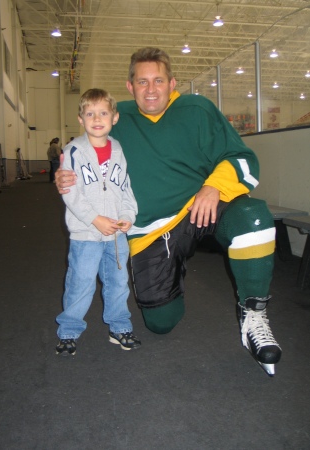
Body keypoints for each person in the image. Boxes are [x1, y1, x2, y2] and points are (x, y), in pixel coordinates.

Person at [55, 47, 281, 375]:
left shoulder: (198, 109)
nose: (151, 89)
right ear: (129, 87)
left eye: (158, 80)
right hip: (150, 234)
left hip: (200, 210)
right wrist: (63, 174)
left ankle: (254, 316)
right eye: (142, 81)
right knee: (161, 322)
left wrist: (213, 186)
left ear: (172, 83)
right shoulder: (116, 119)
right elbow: (81, 153)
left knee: (253, 217)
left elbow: (246, 161)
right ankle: (174, 271)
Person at [55, 88, 141, 356]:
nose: (97, 118)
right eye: (89, 113)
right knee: (80, 283)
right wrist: (95, 219)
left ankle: (119, 327)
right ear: (81, 119)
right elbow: (70, 192)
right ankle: (69, 330)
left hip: (115, 236)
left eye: (103, 112)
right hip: (85, 235)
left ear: (114, 117)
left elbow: (125, 187)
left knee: (117, 283)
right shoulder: (73, 151)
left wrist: (127, 217)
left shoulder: (117, 149)